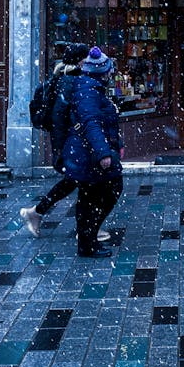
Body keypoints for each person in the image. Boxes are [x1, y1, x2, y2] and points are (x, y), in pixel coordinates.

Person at [20, 42, 110, 244]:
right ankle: (86, 230)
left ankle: (37, 212)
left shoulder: (63, 78)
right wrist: (66, 145)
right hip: (73, 142)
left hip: (71, 142)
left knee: (76, 182)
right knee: (86, 183)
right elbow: (63, 117)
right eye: (86, 57)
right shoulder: (72, 81)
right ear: (80, 60)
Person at [61, 46, 123, 258]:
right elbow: (92, 123)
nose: (110, 74)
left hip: (83, 151)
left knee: (89, 197)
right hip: (87, 153)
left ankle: (87, 242)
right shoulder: (88, 91)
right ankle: (88, 240)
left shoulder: (89, 87)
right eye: (108, 70)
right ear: (101, 72)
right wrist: (103, 153)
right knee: (108, 189)